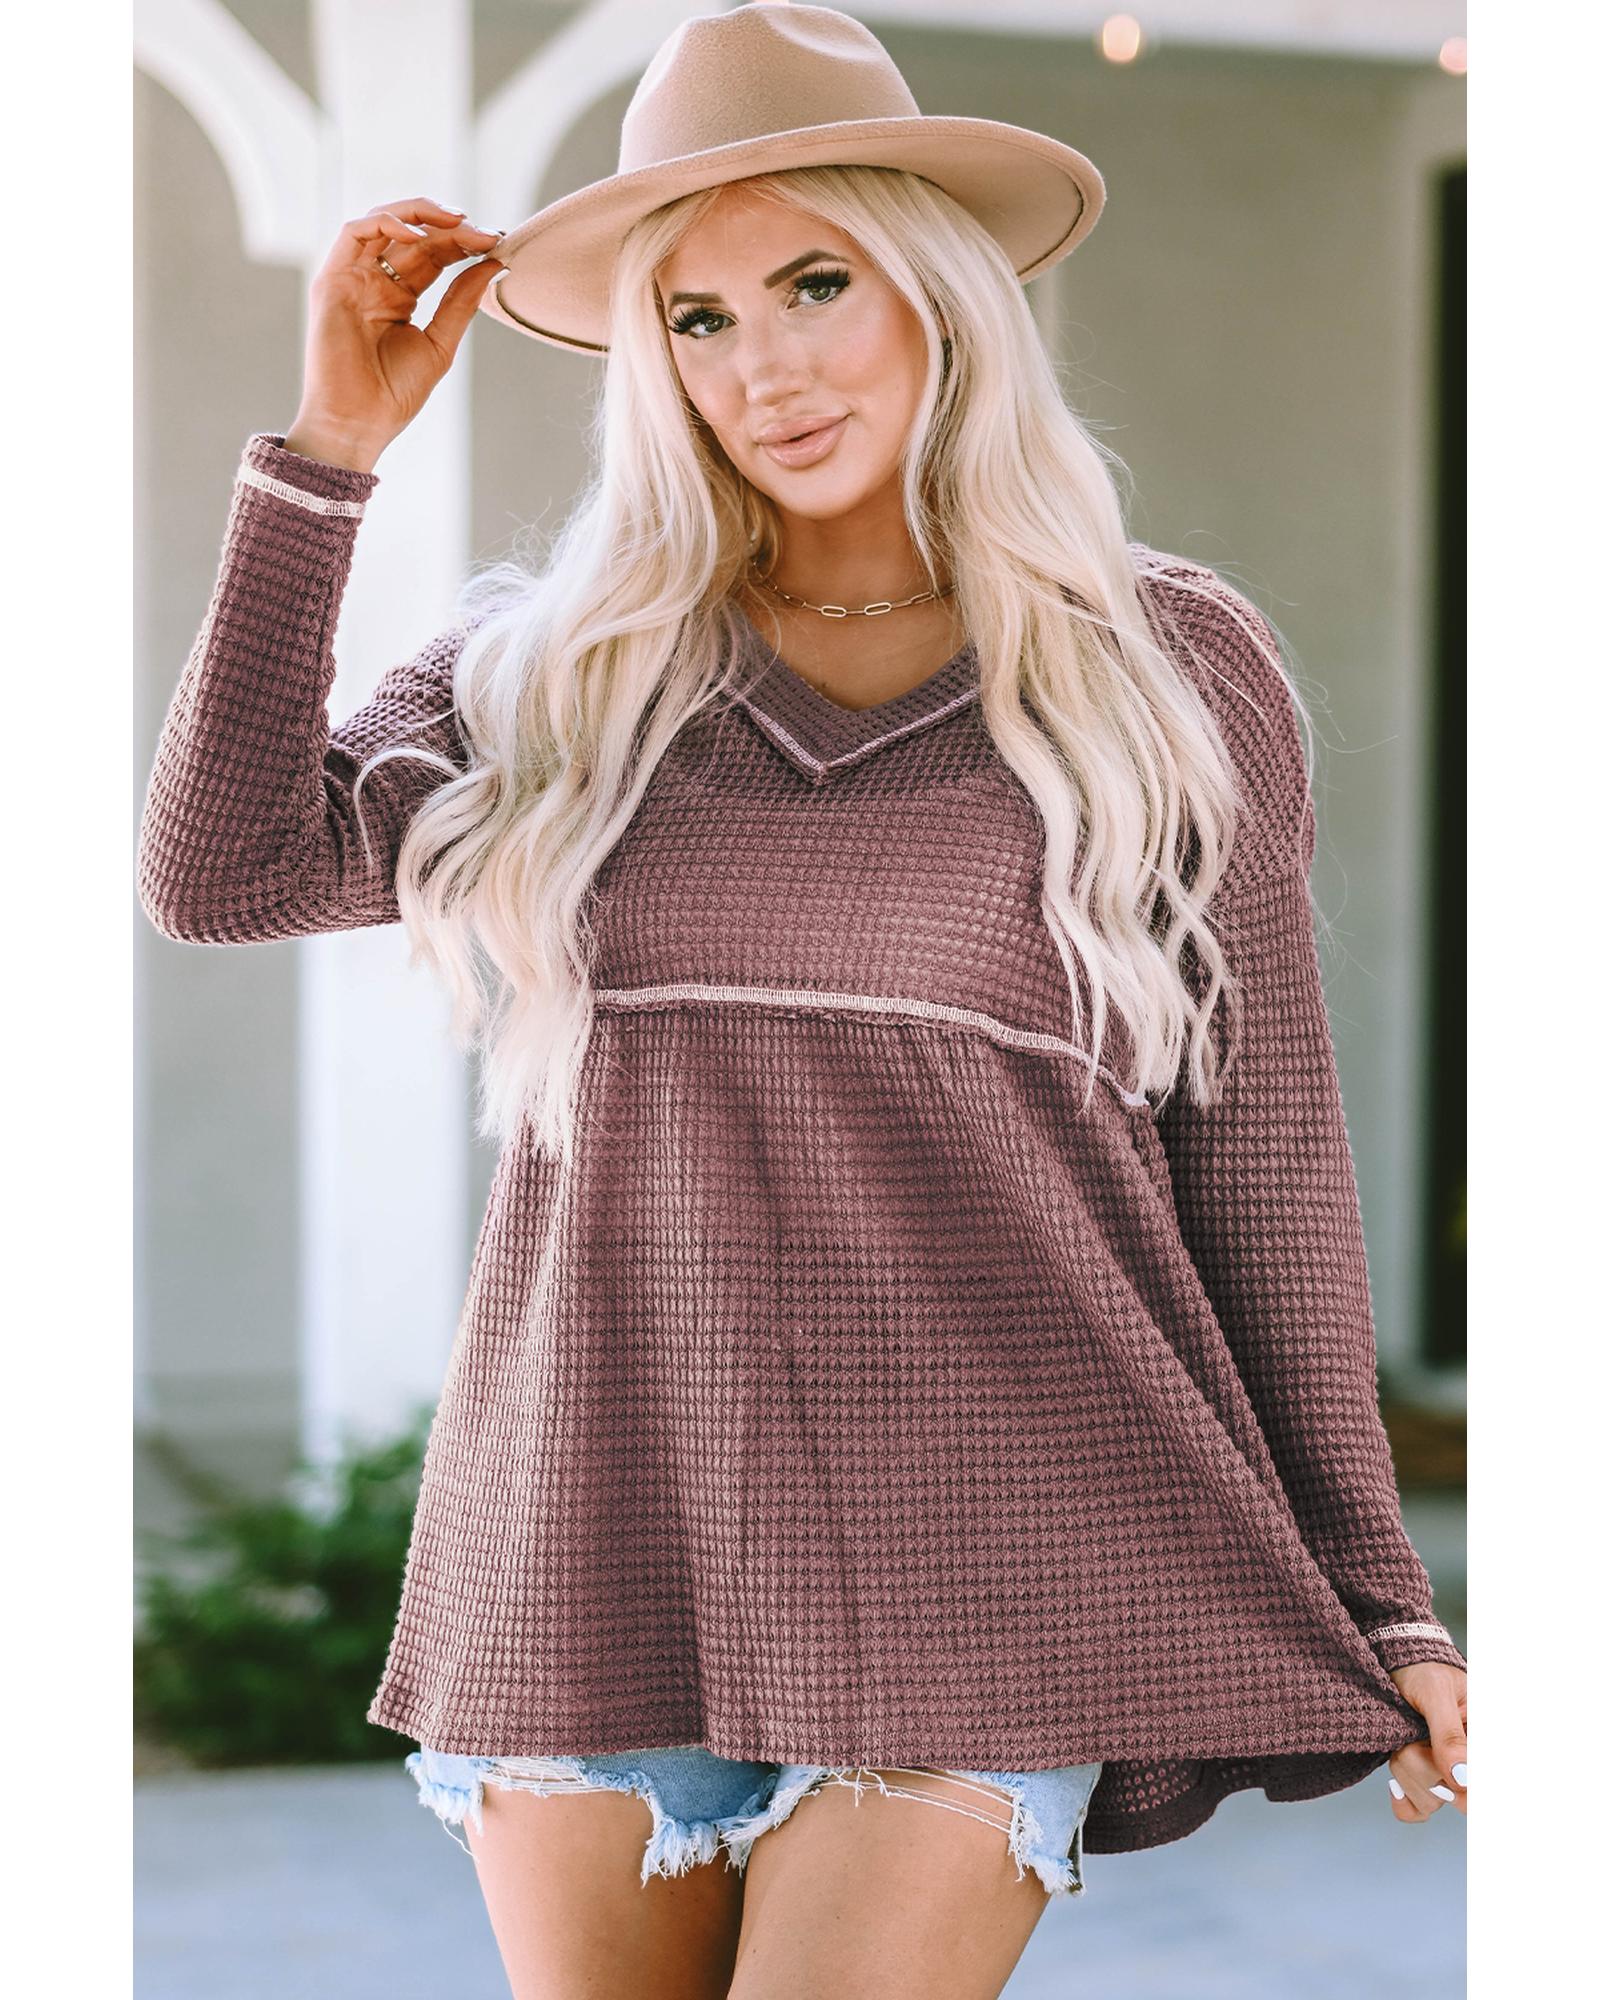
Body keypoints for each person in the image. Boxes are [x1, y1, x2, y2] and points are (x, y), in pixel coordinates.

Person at [136, 6, 1467, 1996]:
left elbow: (1261, 1159)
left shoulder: (1158, 664)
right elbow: (220, 872)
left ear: (935, 290)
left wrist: (1386, 1592)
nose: (761, 365)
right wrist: (326, 458)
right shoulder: (555, 672)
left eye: (815, 284)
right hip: (594, 1537)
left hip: (994, 1547)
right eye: (697, 317)